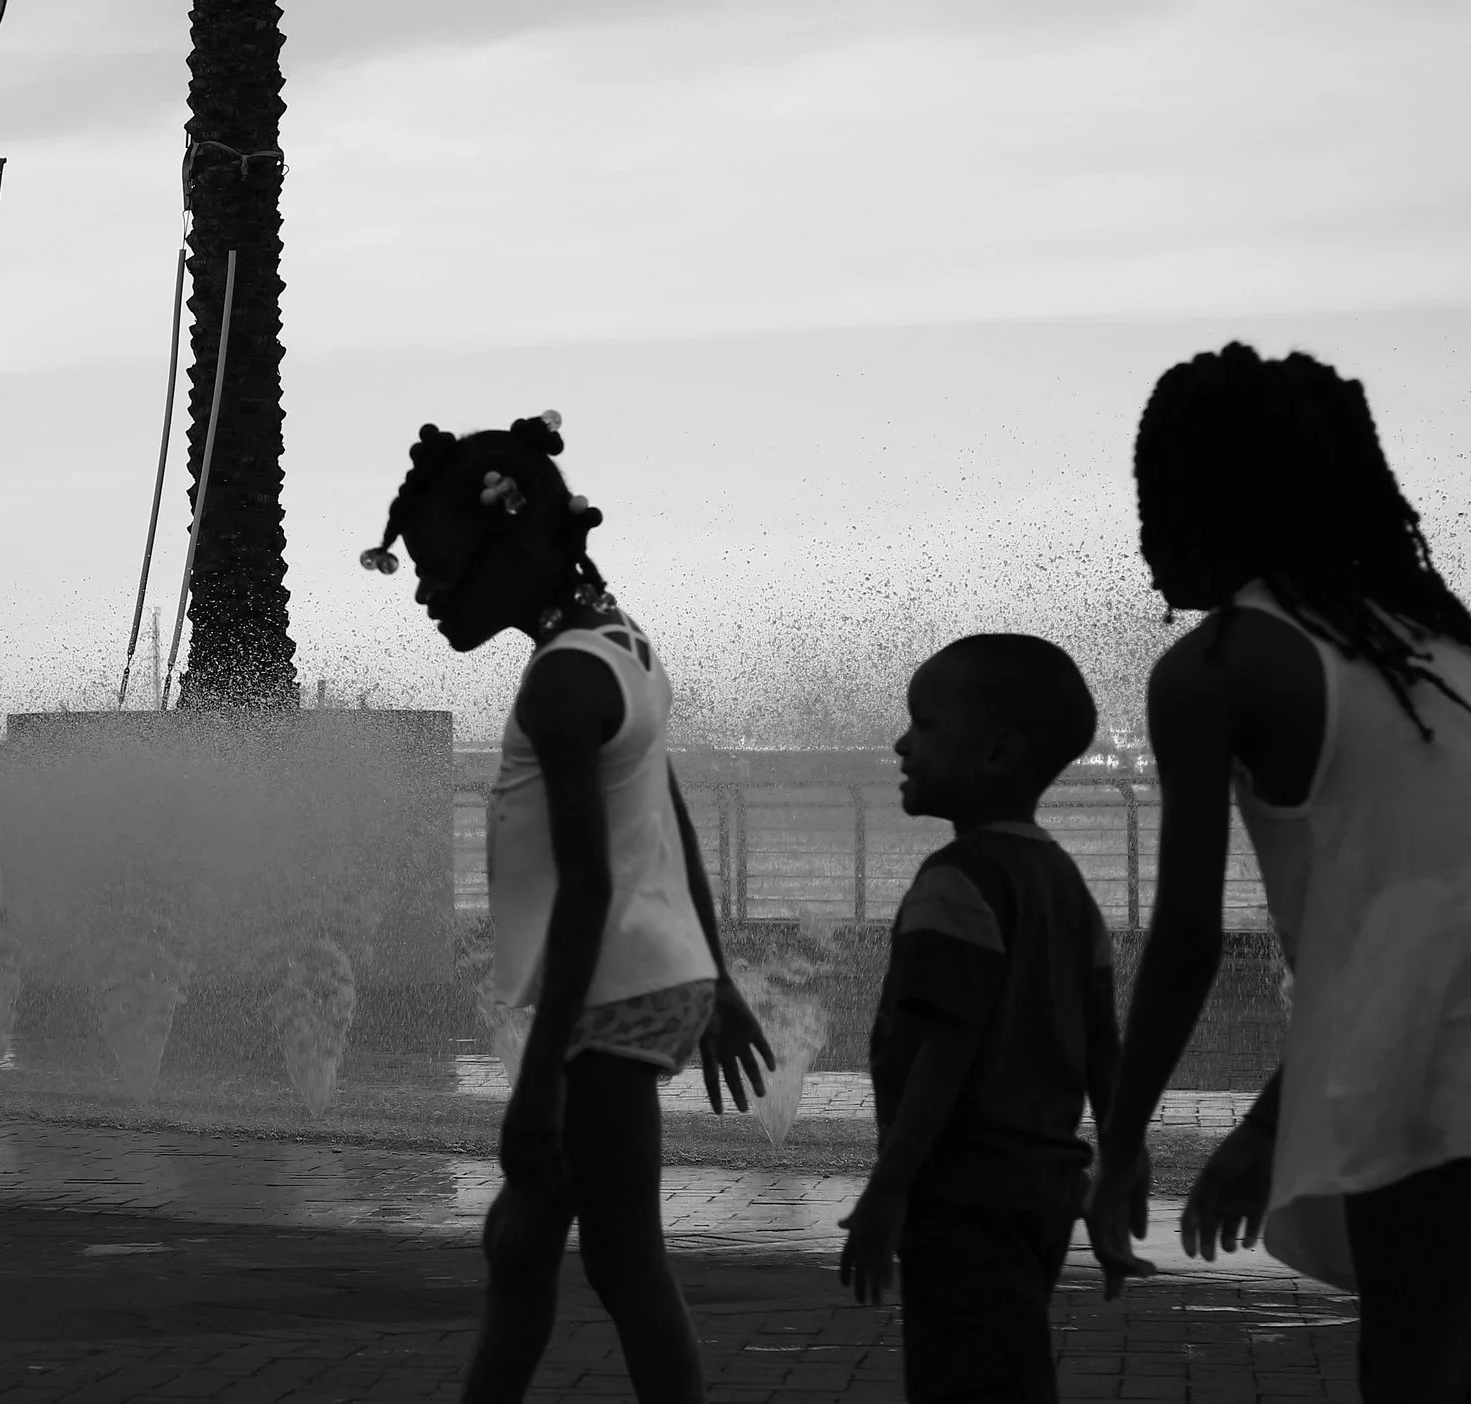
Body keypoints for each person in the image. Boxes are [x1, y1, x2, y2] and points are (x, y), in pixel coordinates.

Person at [1086, 342, 1471, 1402]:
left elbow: (1189, 937)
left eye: (1157, 496)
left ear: (1220, 502)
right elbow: (1429, 924)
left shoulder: (1213, 667)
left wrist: (1120, 1141)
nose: (1145, 535)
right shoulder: (1435, 643)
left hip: (1440, 1002)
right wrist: (1264, 1124)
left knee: (1414, 1360)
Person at [362, 413, 776, 1404]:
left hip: (608, 998)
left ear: (509, 546)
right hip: (636, 982)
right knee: (524, 1243)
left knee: (624, 1261)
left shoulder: (562, 684)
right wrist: (710, 976)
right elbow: (663, 816)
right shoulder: (617, 644)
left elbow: (591, 886)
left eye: (436, 564)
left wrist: (538, 1083)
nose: (423, 590)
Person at [837, 634, 1125, 1402]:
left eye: (924, 724)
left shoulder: (955, 882)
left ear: (996, 753)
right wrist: (1121, 1167)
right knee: (1010, 1361)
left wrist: (888, 1189)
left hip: (960, 1189)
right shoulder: (1065, 883)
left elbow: (944, 1051)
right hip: (1044, 1187)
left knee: (960, 1375)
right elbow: (1105, 1048)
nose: (902, 742)